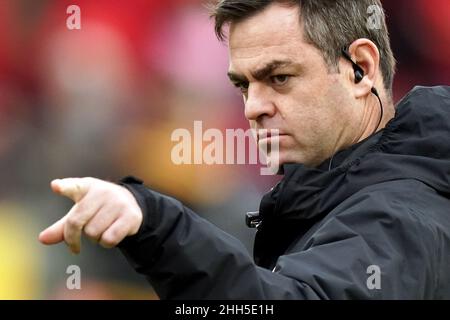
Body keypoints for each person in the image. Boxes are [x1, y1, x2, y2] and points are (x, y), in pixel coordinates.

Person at [39, 0, 450, 299]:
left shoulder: (399, 217)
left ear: (360, 68)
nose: (253, 107)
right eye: (243, 85)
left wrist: (156, 223)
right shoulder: (321, 192)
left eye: (280, 78)